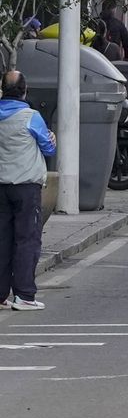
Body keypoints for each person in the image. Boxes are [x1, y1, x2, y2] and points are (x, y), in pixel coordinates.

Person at [0, 71, 55, 310]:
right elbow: (48, 148)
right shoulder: (31, 117)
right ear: (24, 91)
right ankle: (24, 295)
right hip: (26, 186)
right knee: (27, 240)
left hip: (1, 186)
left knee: (2, 239)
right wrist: (52, 138)